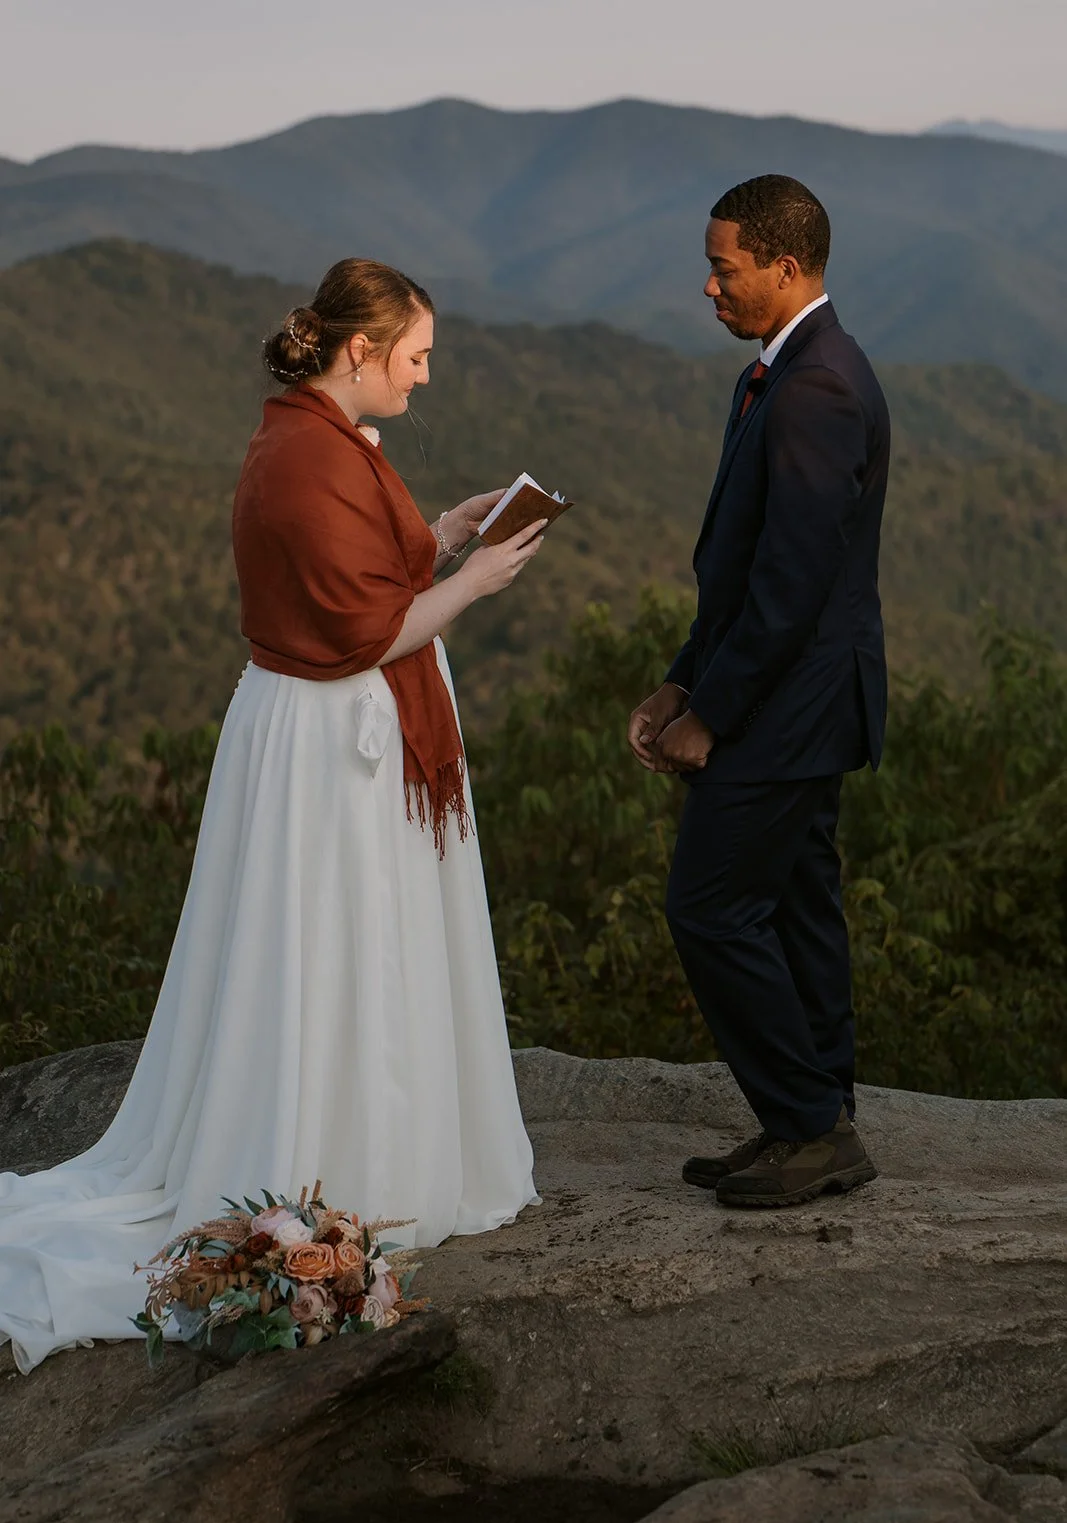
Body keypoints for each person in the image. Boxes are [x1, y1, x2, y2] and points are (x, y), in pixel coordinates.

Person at [0, 257, 544, 1372]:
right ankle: (334, 1156)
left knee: (365, 947)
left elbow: (360, 575)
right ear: (361, 351)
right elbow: (359, 631)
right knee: (333, 949)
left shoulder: (319, 437)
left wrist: (437, 530)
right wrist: (476, 581)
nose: (424, 376)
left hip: (343, 732)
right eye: (416, 357)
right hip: (329, 747)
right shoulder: (304, 456)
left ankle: (369, 1144)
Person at [628, 176, 890, 1209]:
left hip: (790, 706)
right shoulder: (791, 373)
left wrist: (712, 716)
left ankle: (806, 1125)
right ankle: (814, 1116)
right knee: (792, 903)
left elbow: (791, 583)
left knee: (706, 906)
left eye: (724, 265)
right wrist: (680, 673)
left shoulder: (817, 385)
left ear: (785, 266)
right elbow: (739, 572)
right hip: (794, 696)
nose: (707, 283)